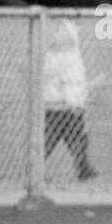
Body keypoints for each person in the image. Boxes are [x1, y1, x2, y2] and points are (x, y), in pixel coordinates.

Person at [43, 19, 97, 181]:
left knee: (77, 137)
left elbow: (75, 82)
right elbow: (68, 82)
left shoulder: (66, 55)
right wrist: (75, 101)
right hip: (63, 105)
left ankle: (83, 167)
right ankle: (35, 172)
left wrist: (87, 90)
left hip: (65, 105)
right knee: (54, 139)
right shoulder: (62, 58)